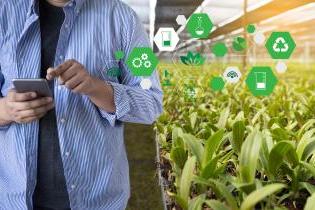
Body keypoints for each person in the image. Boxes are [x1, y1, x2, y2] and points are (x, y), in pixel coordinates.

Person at [0, 0, 163, 209]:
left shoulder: (124, 19)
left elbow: (151, 102)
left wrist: (96, 88)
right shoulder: (5, 12)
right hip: (14, 200)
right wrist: (6, 110)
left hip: (98, 200)